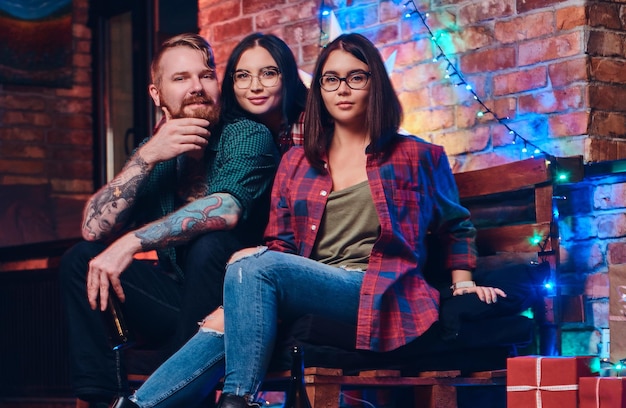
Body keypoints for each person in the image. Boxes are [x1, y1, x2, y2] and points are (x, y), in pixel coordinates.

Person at [111, 33, 506, 408]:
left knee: (248, 268)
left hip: (381, 287)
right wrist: (245, 278)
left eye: (356, 77)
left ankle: (240, 397)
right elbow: (283, 247)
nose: (343, 89)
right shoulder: (297, 162)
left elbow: (455, 226)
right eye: (331, 79)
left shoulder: (418, 156)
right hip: (311, 288)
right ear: (319, 89)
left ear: (376, 85)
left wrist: (464, 285)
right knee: (235, 297)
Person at [60, 33, 286, 408]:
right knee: (79, 260)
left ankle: (167, 397)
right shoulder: (157, 151)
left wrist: (131, 243)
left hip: (237, 309)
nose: (197, 87)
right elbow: (92, 228)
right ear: (156, 94)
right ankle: (101, 401)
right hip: (181, 303)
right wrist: (145, 157)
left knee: (210, 244)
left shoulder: (245, 134)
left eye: (206, 75)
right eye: (180, 78)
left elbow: (225, 209)